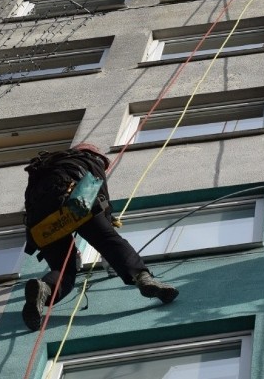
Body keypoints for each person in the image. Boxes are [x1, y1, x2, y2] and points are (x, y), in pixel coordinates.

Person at [21, 142, 178, 331]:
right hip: (75, 203)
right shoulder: (90, 160)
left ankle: (44, 288)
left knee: (64, 268)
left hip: (39, 221)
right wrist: (107, 218)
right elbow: (98, 193)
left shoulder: (50, 166)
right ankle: (143, 279)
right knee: (110, 241)